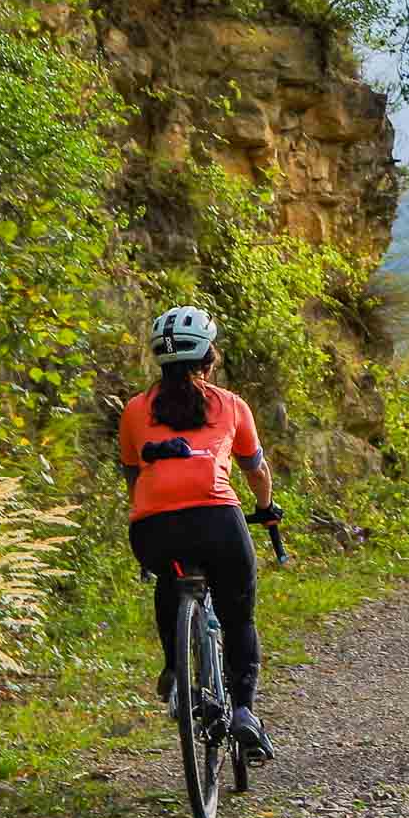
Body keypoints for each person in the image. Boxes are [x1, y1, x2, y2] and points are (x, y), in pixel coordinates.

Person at [121, 304, 277, 760]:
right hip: (218, 523)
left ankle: (175, 670)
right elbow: (257, 471)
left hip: (153, 530)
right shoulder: (231, 405)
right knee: (238, 616)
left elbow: (134, 475)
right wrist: (266, 509)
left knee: (172, 576)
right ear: (209, 356)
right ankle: (245, 711)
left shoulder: (134, 410)